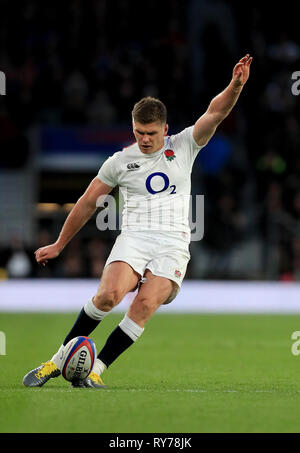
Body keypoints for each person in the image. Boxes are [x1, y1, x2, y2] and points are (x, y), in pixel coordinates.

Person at [23, 54, 253, 388]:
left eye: (151, 133)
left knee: (144, 304)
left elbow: (215, 112)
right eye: (138, 132)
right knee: (108, 296)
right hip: (135, 237)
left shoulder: (184, 145)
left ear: (165, 129)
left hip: (174, 244)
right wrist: (60, 243)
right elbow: (88, 202)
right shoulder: (119, 161)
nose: (144, 139)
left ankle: (96, 370)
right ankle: (56, 362)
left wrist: (235, 85)